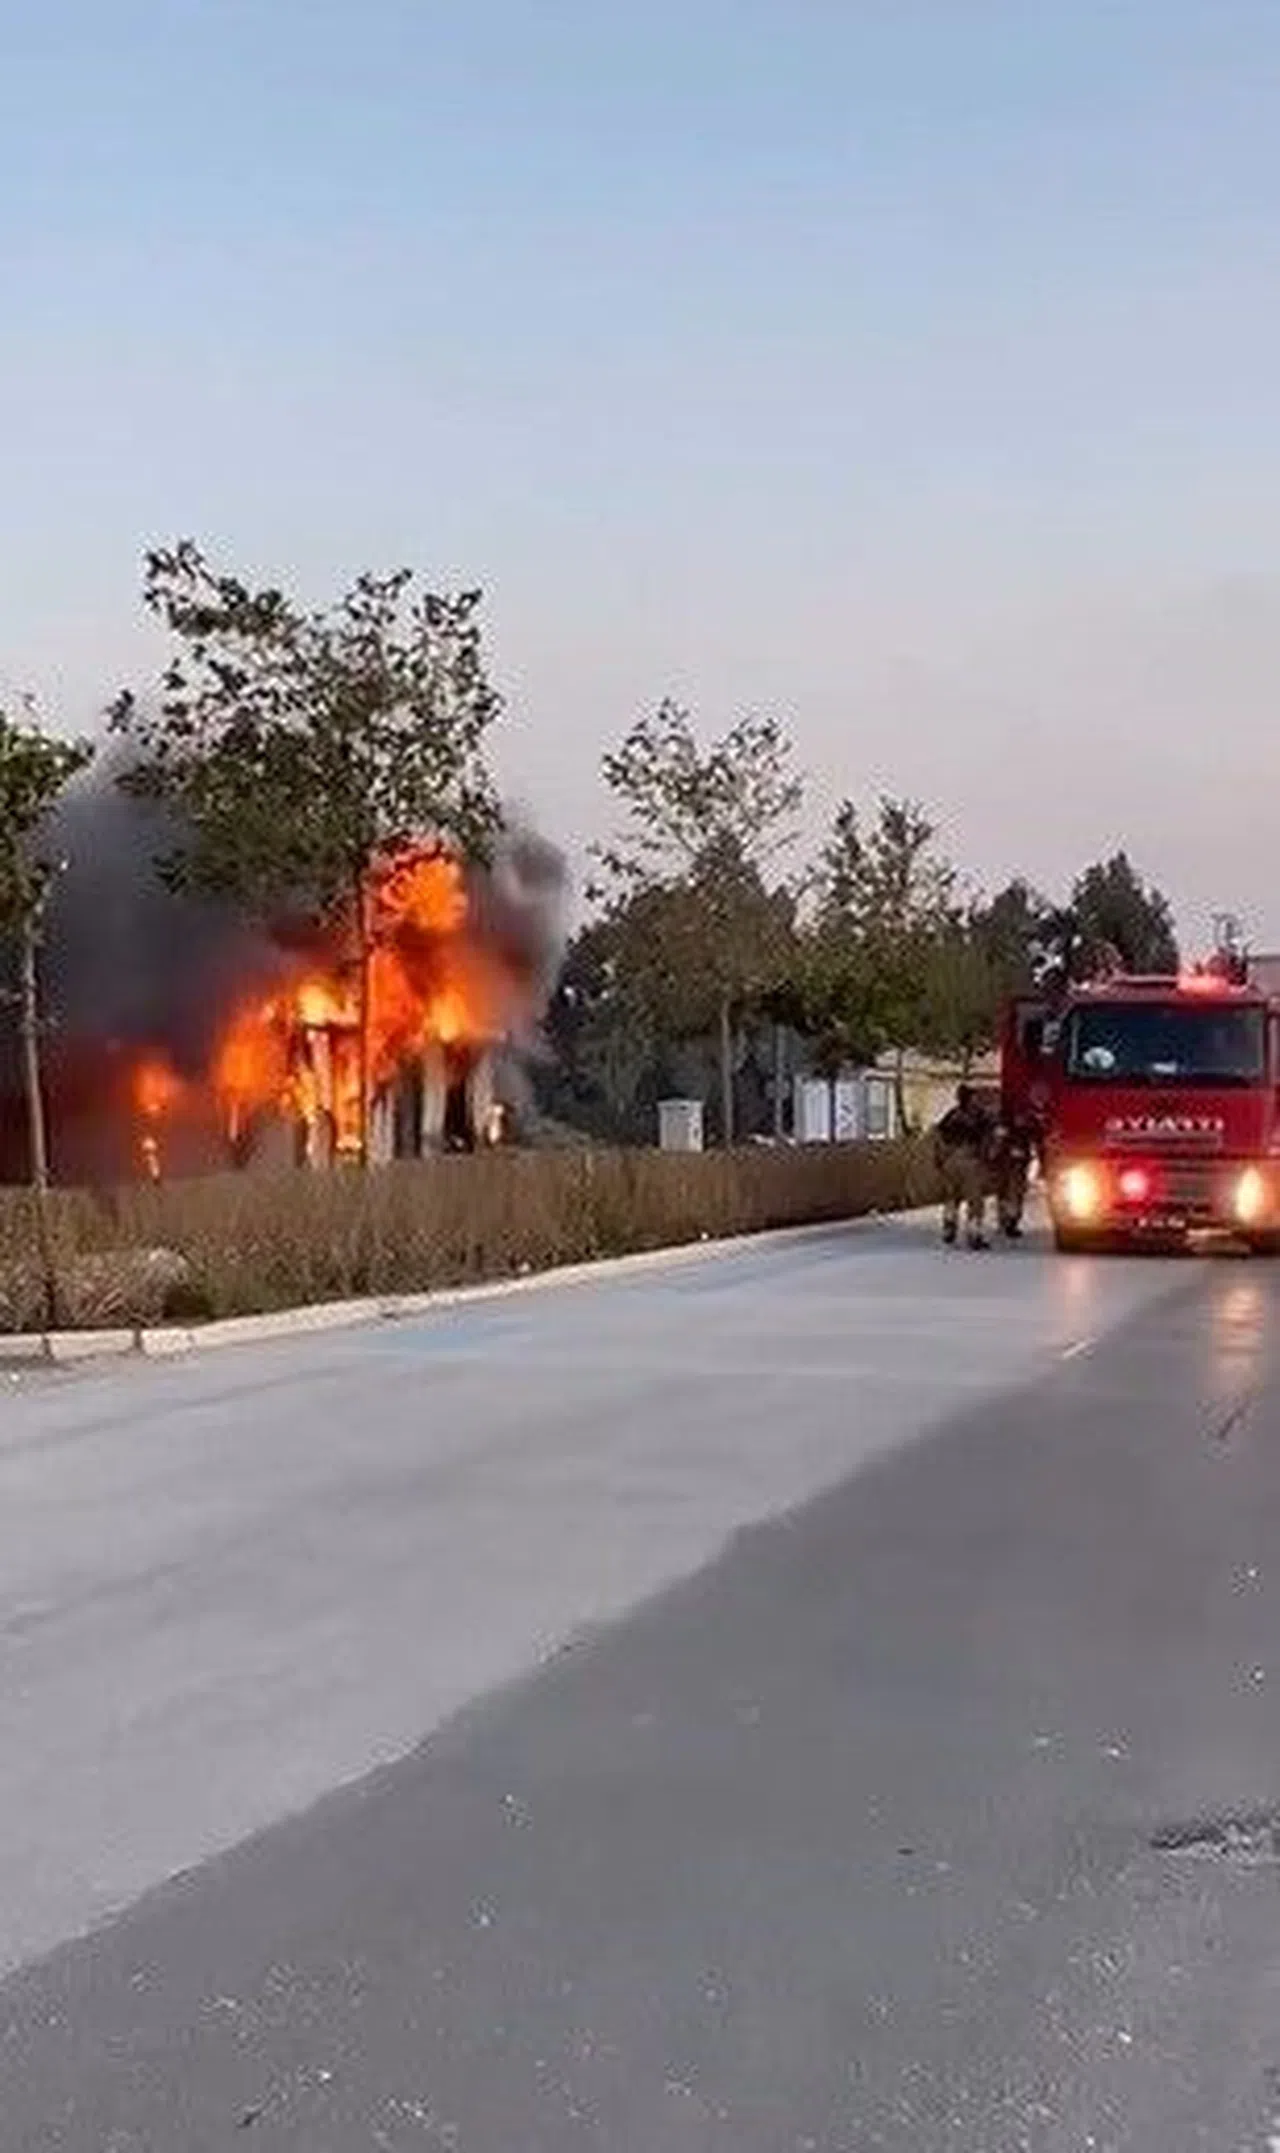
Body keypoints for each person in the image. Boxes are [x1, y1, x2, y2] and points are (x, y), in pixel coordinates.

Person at [932, 1082, 996, 1250]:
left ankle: (949, 1229)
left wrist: (940, 1158)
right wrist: (987, 1158)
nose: (978, 1100)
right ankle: (974, 1235)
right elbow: (989, 1137)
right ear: (969, 1099)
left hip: (950, 1160)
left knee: (951, 1198)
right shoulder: (979, 1116)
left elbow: (938, 1134)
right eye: (975, 1097)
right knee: (975, 1201)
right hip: (970, 1161)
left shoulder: (952, 1114)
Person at [993, 1108, 1035, 1239]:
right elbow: (998, 1140)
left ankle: (1009, 1221)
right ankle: (1007, 1221)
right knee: (1009, 1192)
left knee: (1013, 1192)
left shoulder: (1024, 1125)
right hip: (1009, 1162)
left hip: (1015, 1163)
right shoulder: (1009, 1124)